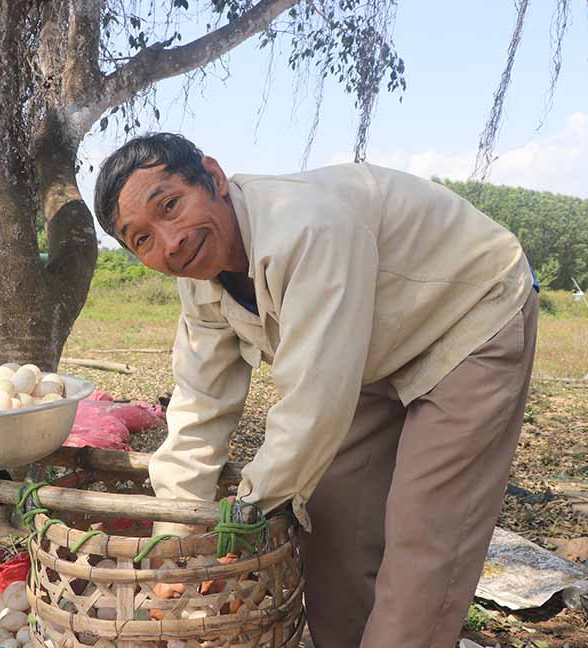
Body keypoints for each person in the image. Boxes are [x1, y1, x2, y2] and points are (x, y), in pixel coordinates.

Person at [92, 133, 539, 648]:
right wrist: (176, 538)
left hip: (467, 314)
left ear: (213, 177)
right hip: (368, 348)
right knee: (333, 525)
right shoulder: (199, 279)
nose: (170, 242)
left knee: (424, 536)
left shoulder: (305, 226)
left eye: (170, 206)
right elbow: (199, 405)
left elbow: (313, 404)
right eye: (142, 239)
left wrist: (244, 515)